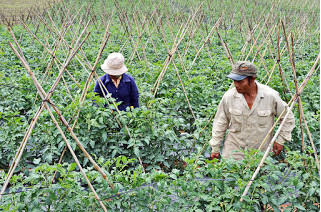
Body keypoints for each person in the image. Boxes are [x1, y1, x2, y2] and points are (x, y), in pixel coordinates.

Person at [209, 61, 295, 161]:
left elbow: (287, 117)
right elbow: (220, 123)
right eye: (234, 81)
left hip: (260, 153)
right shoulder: (229, 97)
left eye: (240, 81)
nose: (236, 85)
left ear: (252, 79)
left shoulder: (270, 96)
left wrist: (280, 141)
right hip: (233, 152)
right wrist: (215, 148)